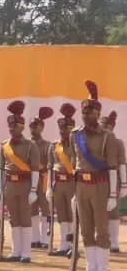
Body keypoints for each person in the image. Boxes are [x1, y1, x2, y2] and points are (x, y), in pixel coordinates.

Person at [71, 82, 122, 271]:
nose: (86, 116)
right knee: (85, 229)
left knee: (101, 230)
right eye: (83, 113)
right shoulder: (76, 135)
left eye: (89, 113)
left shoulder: (108, 137)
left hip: (100, 185)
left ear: (97, 113)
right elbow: (76, 162)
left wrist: (113, 195)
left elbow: (112, 167)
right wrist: (75, 191)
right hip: (81, 186)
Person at [0, 101, 43, 263]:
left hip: (25, 185)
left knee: (25, 217)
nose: (11, 129)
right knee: (13, 218)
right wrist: (0, 190)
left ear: (21, 127)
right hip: (10, 185)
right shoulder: (4, 145)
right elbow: (1, 169)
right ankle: (15, 251)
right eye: (10, 126)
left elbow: (35, 170)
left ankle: (26, 253)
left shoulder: (31, 146)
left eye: (14, 126)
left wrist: (33, 190)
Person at [49, 104, 78, 256]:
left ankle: (73, 245)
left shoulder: (77, 146)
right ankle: (63, 244)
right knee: (61, 215)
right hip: (58, 183)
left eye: (66, 130)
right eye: (61, 129)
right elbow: (50, 167)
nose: (63, 132)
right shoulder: (54, 145)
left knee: (73, 215)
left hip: (72, 183)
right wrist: (49, 187)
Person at [28, 106, 54, 250]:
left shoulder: (48, 145)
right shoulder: (26, 144)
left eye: (36, 126)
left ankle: (45, 239)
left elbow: (50, 165)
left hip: (43, 179)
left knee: (45, 209)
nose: (33, 128)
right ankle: (34, 238)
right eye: (32, 126)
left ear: (42, 127)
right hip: (30, 179)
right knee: (32, 208)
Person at [104, 110, 124, 253]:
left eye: (108, 126)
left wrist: (124, 185)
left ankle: (115, 241)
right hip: (97, 178)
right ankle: (102, 238)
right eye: (103, 126)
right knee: (99, 210)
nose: (106, 128)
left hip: (113, 179)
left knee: (114, 211)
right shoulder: (96, 141)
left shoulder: (118, 142)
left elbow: (122, 164)